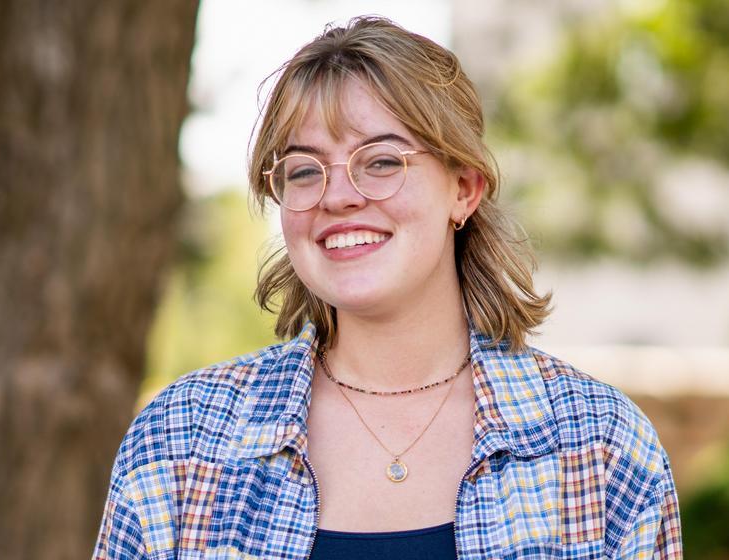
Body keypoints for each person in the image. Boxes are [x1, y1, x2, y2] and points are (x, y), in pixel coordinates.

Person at [94, 16, 682, 560]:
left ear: (464, 189)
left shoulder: (599, 448)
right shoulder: (182, 440)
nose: (338, 196)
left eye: (379, 162)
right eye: (304, 169)